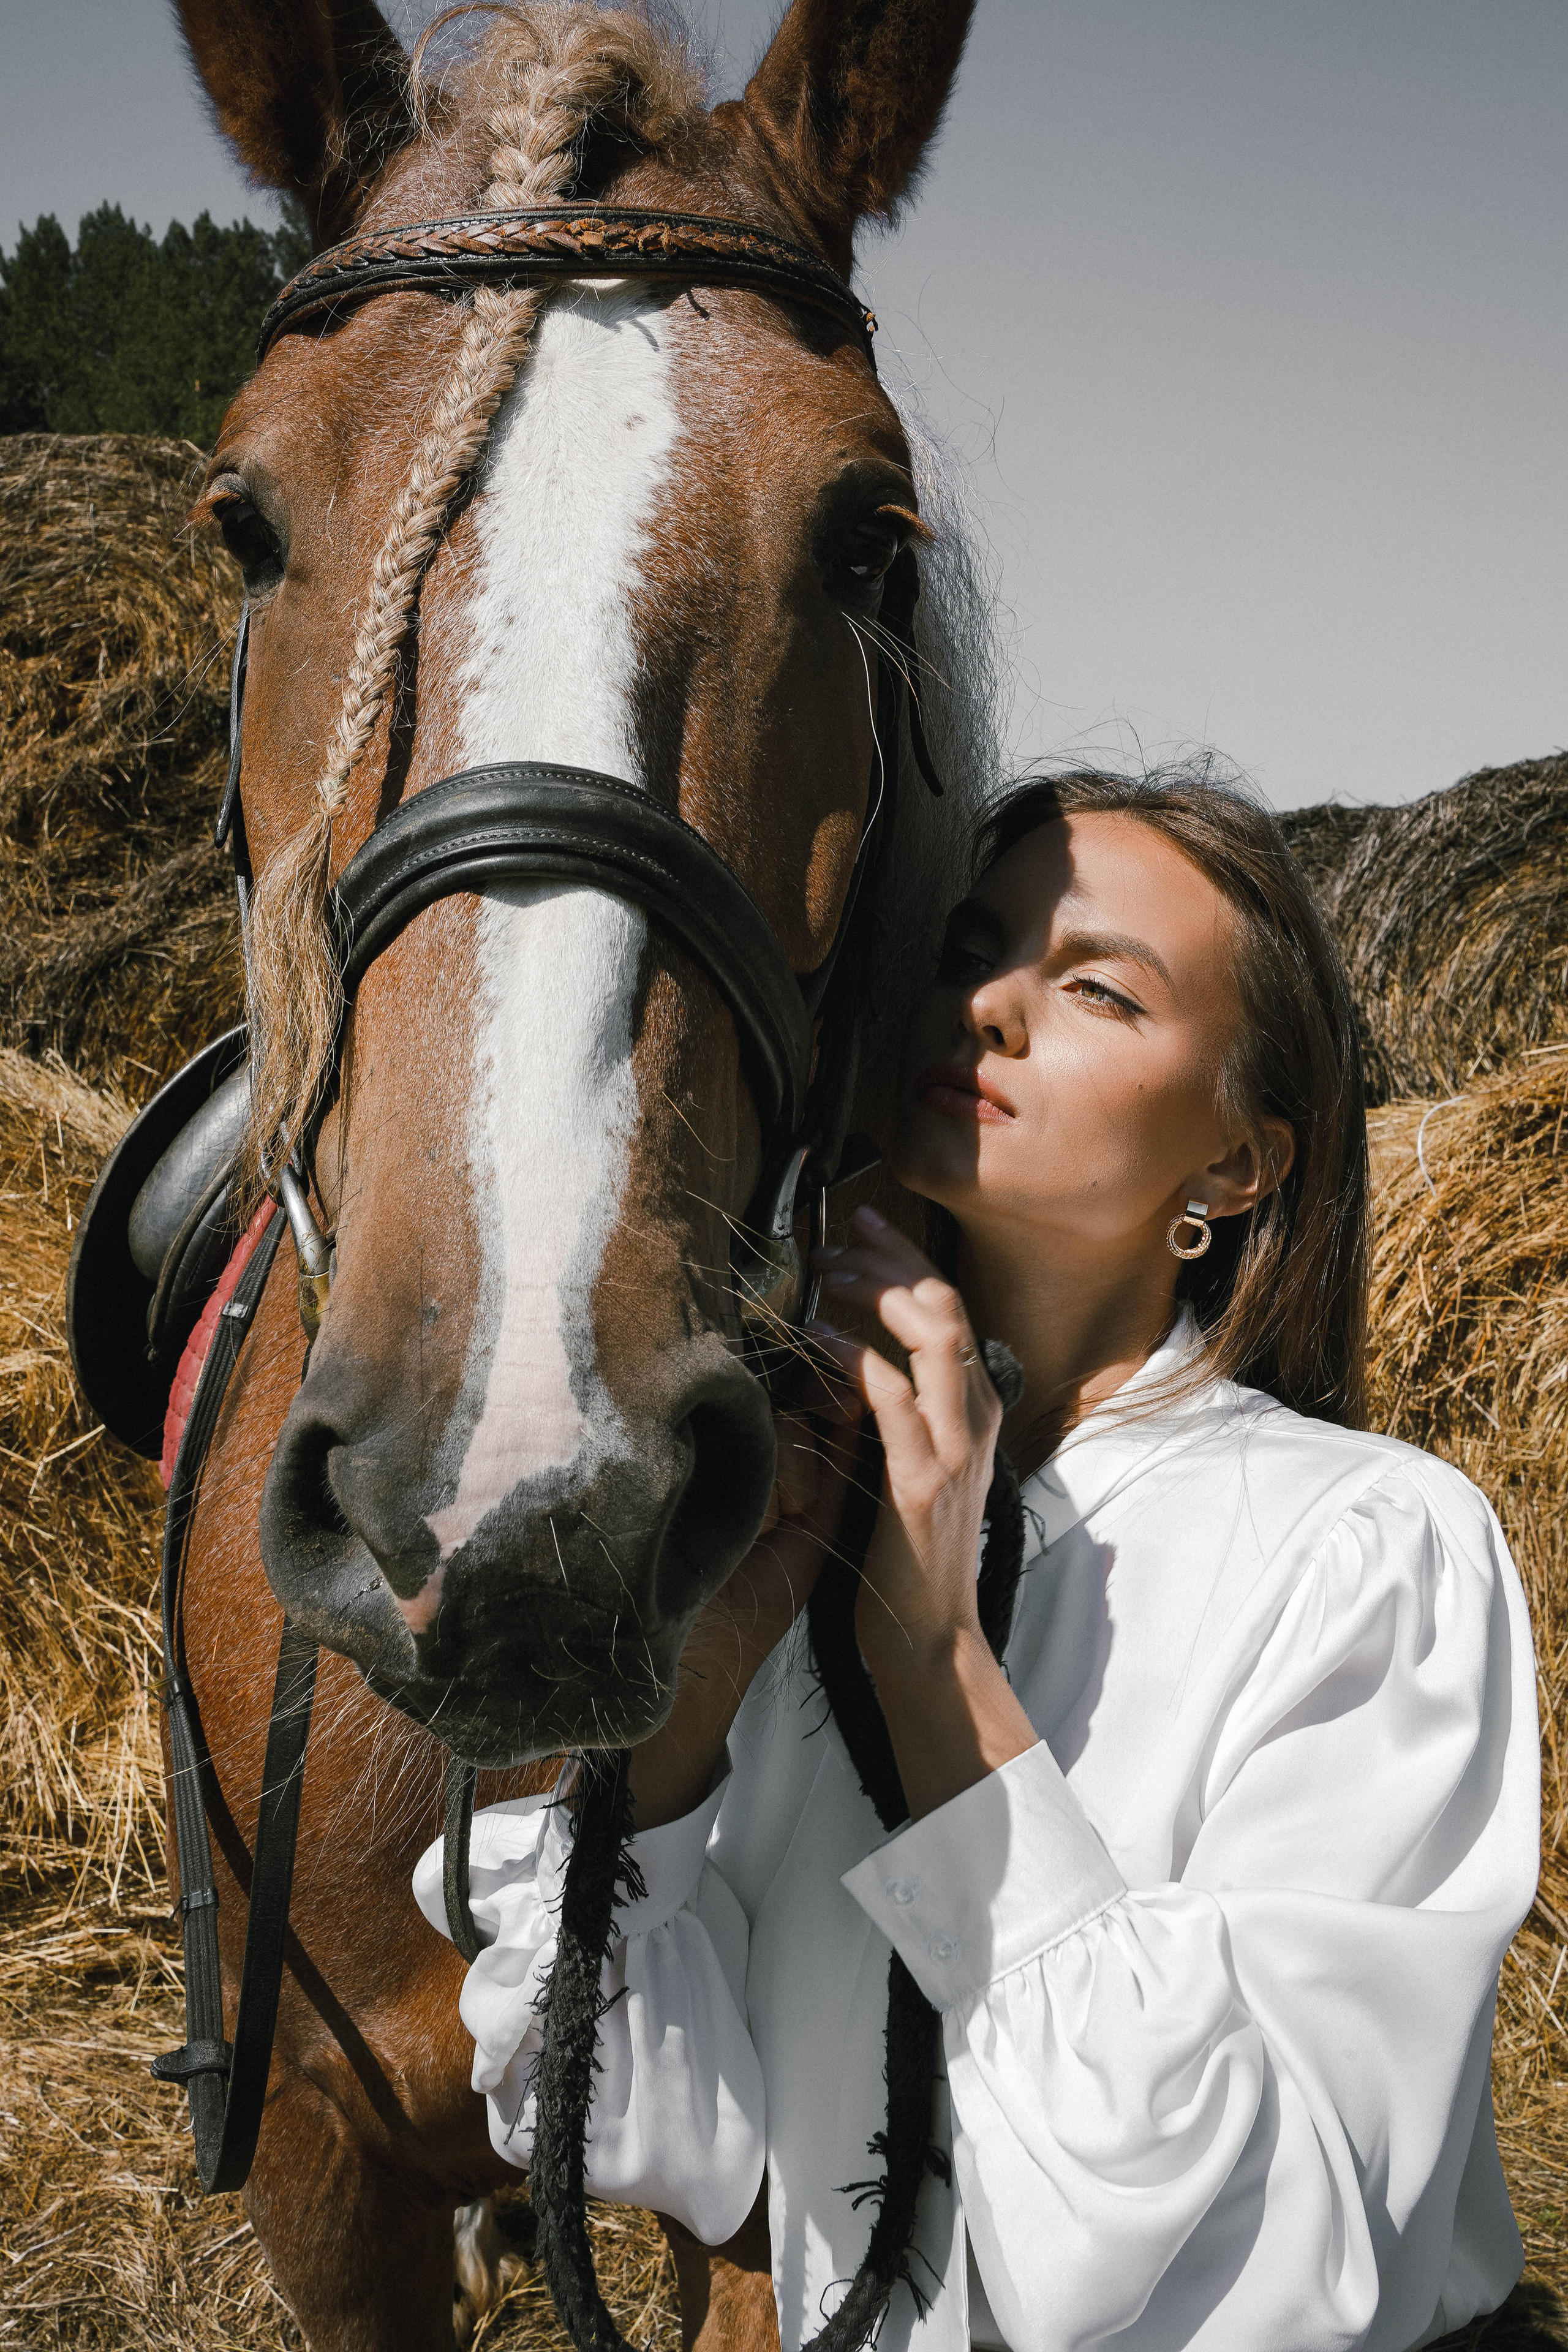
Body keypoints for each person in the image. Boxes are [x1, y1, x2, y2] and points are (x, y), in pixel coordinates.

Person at [415, 767, 1539, 2351]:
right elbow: (657, 2141)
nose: (990, 1007)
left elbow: (1278, 2271)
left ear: (1237, 1164)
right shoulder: (811, 1508)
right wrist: (677, 1723)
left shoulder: (1369, 1546)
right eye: (964, 948)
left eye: (1095, 987)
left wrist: (933, 1664)